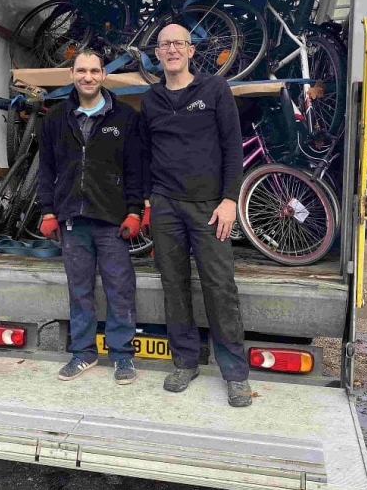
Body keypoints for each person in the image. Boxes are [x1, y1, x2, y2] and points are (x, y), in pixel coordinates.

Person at [139, 24, 252, 407]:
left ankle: (235, 373)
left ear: (190, 51)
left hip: (209, 208)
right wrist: (147, 199)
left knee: (220, 287)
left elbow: (232, 147)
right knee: (174, 285)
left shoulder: (215, 89)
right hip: (166, 206)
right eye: (165, 44)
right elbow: (143, 152)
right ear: (157, 54)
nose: (172, 49)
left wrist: (229, 199)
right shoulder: (151, 99)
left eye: (179, 43)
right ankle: (185, 362)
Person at [37, 49, 144, 385]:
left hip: (112, 221)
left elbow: (135, 170)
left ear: (103, 75)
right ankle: (83, 354)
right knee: (80, 290)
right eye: (81, 71)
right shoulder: (54, 118)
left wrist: (134, 211)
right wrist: (47, 211)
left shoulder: (125, 117)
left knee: (119, 289)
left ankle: (122, 357)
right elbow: (47, 169)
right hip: (72, 220)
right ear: (72, 75)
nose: (87, 77)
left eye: (94, 71)